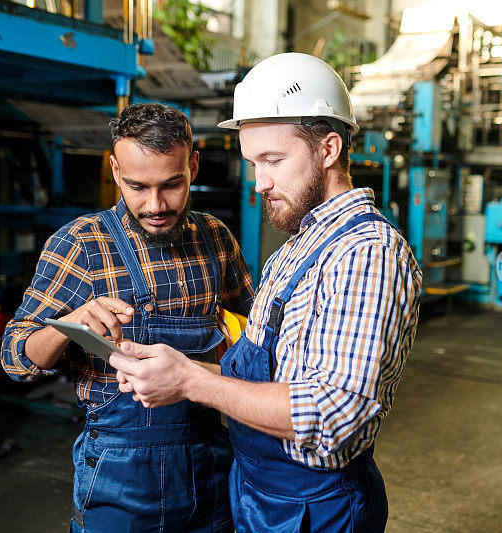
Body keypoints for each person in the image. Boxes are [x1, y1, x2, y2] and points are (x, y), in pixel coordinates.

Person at [110, 53, 422, 532]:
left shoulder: (366, 254)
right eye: (254, 162)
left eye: (273, 160)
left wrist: (194, 384)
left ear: (329, 148)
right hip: (261, 493)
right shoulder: (300, 245)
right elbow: (279, 377)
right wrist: (180, 369)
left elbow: (331, 415)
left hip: (316, 509)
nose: (261, 183)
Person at [0, 103, 254, 532]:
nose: (155, 204)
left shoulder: (215, 238)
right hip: (121, 479)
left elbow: (261, 333)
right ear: (116, 171)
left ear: (193, 165)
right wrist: (72, 326)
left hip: (211, 467)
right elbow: (16, 358)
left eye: (172, 184)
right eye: (137, 186)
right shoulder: (81, 244)